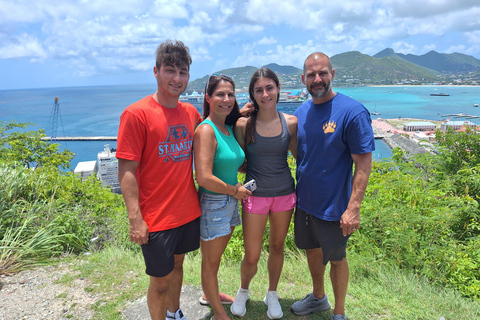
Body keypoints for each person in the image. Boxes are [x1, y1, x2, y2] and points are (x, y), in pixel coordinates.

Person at [116, 40, 201, 320]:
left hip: (187, 211)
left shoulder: (190, 113)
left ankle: (174, 313)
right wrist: (135, 218)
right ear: (156, 71)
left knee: (178, 267)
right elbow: (127, 170)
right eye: (170, 70)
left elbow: (214, 136)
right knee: (160, 280)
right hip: (156, 218)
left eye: (183, 72)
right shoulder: (136, 114)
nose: (177, 78)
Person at [290, 53, 374, 320]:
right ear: (303, 79)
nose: (317, 79)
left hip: (335, 207)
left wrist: (354, 207)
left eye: (322, 73)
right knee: (312, 251)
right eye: (312, 75)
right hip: (304, 202)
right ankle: (318, 297)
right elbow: (299, 153)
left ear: (332, 74)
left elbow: (363, 163)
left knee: (337, 258)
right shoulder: (301, 112)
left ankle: (339, 312)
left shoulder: (352, 111)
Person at [230, 67, 298, 319]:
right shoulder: (242, 124)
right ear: (253, 94)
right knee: (252, 254)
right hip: (254, 196)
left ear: (278, 88)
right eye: (259, 90)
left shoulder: (290, 122)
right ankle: (244, 290)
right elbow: (237, 159)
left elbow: (300, 157)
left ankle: (272, 293)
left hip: (284, 194)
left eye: (269, 88)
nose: (265, 94)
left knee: (278, 247)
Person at [194, 74, 252, 320]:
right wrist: (234, 191)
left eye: (230, 94)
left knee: (215, 259)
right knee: (211, 262)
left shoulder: (227, 128)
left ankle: (210, 295)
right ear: (208, 98)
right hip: (215, 202)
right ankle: (218, 312)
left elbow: (230, 165)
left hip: (229, 200)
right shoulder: (206, 130)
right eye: (220, 94)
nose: (226, 99)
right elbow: (204, 177)